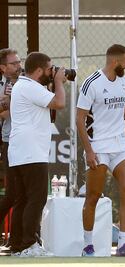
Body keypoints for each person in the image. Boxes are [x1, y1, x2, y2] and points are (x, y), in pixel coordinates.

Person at [76, 44, 125, 257]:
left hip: (120, 144)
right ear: (115, 62)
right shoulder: (91, 83)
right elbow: (79, 119)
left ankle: (123, 246)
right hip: (98, 146)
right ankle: (88, 246)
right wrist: (89, 151)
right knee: (93, 196)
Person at [8, 52, 66, 256]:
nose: (53, 72)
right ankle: (29, 244)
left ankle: (18, 245)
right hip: (31, 152)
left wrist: (53, 81)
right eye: (50, 69)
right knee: (36, 199)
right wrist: (59, 82)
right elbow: (59, 103)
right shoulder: (30, 87)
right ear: (39, 70)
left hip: (21, 151)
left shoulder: (23, 86)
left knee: (23, 199)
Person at [0, 48, 21, 251]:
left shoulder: (26, 82)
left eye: (19, 62)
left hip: (26, 142)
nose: (18, 66)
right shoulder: (2, 86)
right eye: (13, 63)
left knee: (22, 194)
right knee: (12, 194)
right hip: (9, 141)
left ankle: (17, 239)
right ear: (3, 67)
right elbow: (3, 112)